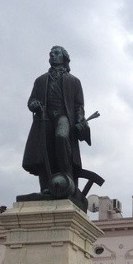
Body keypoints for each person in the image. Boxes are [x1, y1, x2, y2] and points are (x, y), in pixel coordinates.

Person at [22, 45, 91, 198]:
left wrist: (80, 121)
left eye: (56, 53)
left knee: (61, 137)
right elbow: (32, 100)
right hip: (44, 117)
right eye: (51, 53)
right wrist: (34, 104)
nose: (52, 55)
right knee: (44, 149)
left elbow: (79, 106)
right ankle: (46, 186)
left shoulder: (74, 81)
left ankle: (67, 179)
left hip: (63, 116)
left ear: (64, 58)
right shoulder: (40, 80)